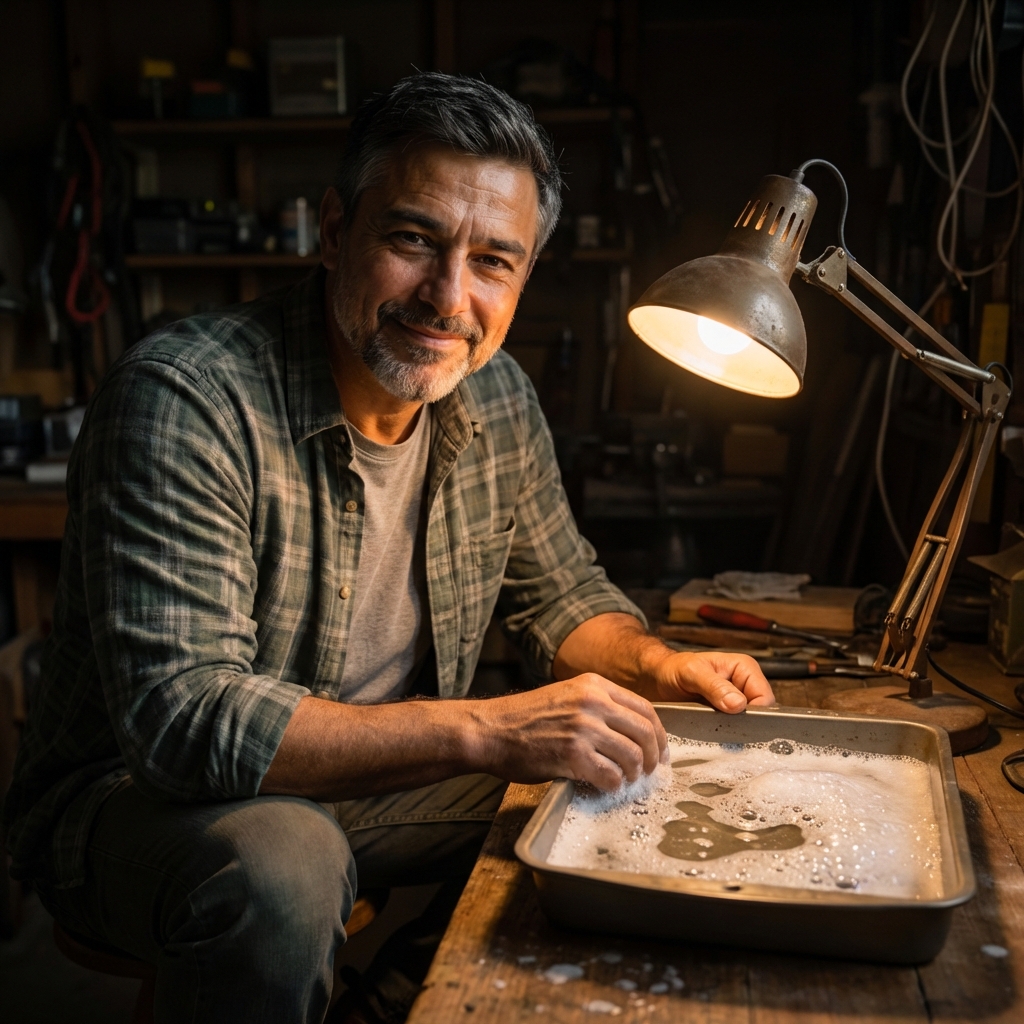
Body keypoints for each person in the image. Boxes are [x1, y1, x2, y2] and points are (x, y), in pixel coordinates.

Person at [4, 73, 773, 1024]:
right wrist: (488, 730)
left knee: (631, 787)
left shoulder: (496, 398)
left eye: (494, 260)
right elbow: (185, 721)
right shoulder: (186, 400)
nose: (449, 296)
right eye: (414, 239)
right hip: (136, 802)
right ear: (336, 233)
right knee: (286, 866)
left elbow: (562, 596)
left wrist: (660, 662)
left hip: (373, 778)